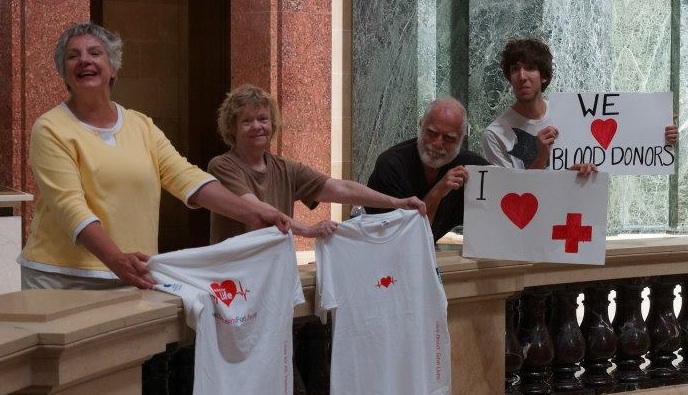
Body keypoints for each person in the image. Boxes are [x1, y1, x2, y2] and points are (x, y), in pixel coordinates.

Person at [17, 22, 291, 291]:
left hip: (134, 271)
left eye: (94, 53)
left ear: (113, 67)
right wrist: (115, 259)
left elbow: (186, 177)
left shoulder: (141, 125)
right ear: (63, 72)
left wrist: (254, 213)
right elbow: (70, 208)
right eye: (73, 56)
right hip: (63, 278)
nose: (84, 60)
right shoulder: (50, 128)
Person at [207, 84, 426, 244]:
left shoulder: (286, 168)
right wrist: (307, 230)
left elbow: (341, 188)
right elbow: (256, 209)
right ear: (232, 128)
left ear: (272, 124)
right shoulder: (222, 166)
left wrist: (398, 202)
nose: (257, 126)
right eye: (247, 121)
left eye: (263, 119)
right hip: (233, 277)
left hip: (275, 271)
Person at [481, 37, 678, 171]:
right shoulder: (495, 135)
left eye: (530, 68)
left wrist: (658, 133)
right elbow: (506, 195)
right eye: (515, 69)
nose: (522, 76)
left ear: (544, 76)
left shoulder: (574, 115)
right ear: (509, 77)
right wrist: (541, 158)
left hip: (575, 217)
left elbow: (623, 146)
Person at [366, 97, 491, 243]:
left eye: (449, 138)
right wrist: (438, 192)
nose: (438, 143)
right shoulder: (392, 164)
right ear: (420, 125)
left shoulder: (472, 167)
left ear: (462, 139)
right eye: (431, 133)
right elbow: (406, 239)